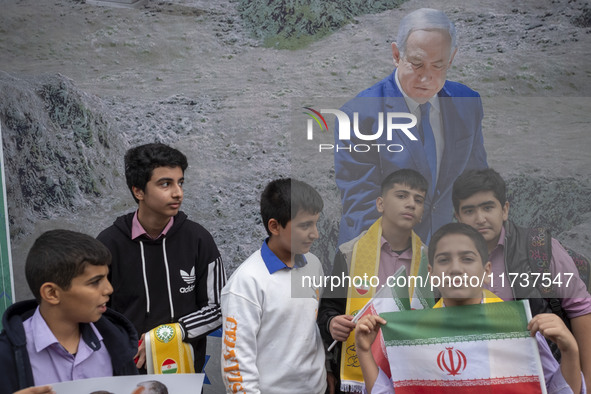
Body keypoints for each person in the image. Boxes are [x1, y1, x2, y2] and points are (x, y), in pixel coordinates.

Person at [355, 223, 584, 394]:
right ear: (432, 274)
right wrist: (365, 353)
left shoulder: (517, 326)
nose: (456, 269)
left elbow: (558, 390)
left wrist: (570, 351)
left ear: (486, 271)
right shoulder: (414, 333)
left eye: (467, 259)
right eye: (444, 260)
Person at [335, 7, 487, 247]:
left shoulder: (468, 103)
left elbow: (477, 183)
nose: (426, 78)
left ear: (452, 58)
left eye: (438, 66)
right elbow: (361, 206)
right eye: (417, 64)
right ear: (396, 55)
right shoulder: (358, 115)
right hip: (378, 257)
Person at [452, 168, 591, 390]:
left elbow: (581, 309)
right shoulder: (446, 260)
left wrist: (587, 381)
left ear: (504, 210)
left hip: (546, 379)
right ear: (457, 217)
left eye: (488, 207)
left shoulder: (539, 249)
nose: (480, 218)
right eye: (469, 211)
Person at [97, 143, 226, 373]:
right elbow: (96, 314)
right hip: (126, 376)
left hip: (185, 374)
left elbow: (219, 308)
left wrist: (166, 336)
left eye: (180, 182)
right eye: (165, 184)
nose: (178, 192)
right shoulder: (108, 244)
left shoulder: (198, 239)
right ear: (138, 191)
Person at [318, 169, 428, 392]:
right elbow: (328, 308)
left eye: (418, 199)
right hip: (357, 367)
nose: (411, 204)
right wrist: (332, 323)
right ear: (380, 204)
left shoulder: (431, 262)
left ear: (422, 212)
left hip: (410, 371)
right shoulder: (349, 254)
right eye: (401, 195)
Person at [220, 178, 327, 393]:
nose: (315, 234)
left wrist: (328, 373)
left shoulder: (313, 265)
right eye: (305, 225)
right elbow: (236, 364)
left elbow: (311, 329)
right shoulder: (246, 283)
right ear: (274, 226)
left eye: (316, 223)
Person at [0, 230, 138, 394]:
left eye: (107, 277)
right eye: (95, 282)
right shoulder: (6, 356)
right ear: (52, 293)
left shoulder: (116, 341)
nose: (109, 289)